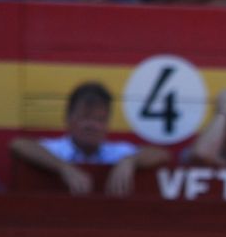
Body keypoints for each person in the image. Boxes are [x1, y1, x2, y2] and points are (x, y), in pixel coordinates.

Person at [9, 81, 170, 196]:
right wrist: (63, 167)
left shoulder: (116, 153)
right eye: (85, 117)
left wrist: (131, 161)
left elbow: (162, 154)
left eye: (100, 119)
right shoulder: (57, 150)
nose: (92, 126)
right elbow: (18, 144)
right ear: (68, 119)